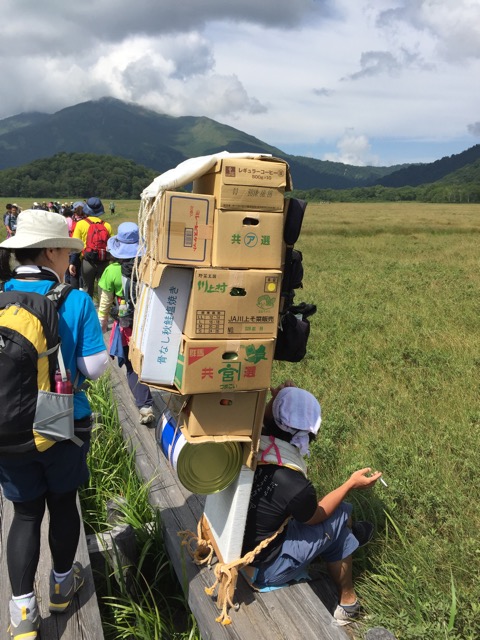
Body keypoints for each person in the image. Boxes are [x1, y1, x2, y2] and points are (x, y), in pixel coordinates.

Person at [0, 209, 109, 639]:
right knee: (63, 503)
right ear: (49, 252)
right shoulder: (75, 300)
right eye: (66, 251)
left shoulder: (2, 296)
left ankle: (23, 615)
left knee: (25, 513)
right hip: (61, 420)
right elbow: (95, 368)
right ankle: (62, 587)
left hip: (7, 425)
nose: (70, 259)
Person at [241, 382, 382, 626]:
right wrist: (350, 484)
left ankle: (347, 548)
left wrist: (281, 400)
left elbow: (267, 416)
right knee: (340, 515)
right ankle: (348, 605)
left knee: (336, 527)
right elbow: (317, 515)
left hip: (237, 544)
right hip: (263, 568)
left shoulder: (251, 439)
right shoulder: (295, 484)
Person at [97, 222, 155, 425]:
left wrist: (102, 323)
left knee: (132, 365)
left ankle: (145, 405)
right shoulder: (148, 267)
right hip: (148, 323)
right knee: (147, 361)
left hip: (125, 326)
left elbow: (105, 302)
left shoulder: (111, 271)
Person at [70, 197, 112, 298]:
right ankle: (102, 307)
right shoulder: (107, 225)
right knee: (103, 290)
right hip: (104, 261)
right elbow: (111, 246)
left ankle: (88, 307)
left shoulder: (81, 224)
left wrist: (72, 262)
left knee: (87, 289)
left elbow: (76, 246)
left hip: (87, 262)